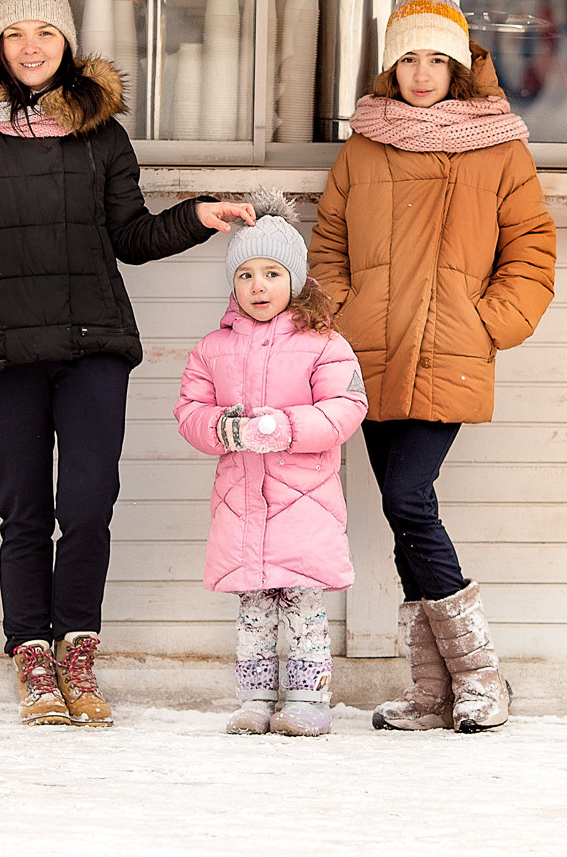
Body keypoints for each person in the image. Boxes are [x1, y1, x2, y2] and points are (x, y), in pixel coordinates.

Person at [0, 0, 256, 728]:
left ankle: (78, 652)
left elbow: (131, 237)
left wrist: (197, 215)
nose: (31, 48)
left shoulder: (102, 133)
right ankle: (32, 655)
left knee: (89, 506)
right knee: (25, 512)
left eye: (45, 33)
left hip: (91, 344)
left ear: (67, 42)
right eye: (15, 34)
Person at [308, 0, 557, 733]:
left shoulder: (499, 146)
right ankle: (432, 694)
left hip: (448, 347)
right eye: (408, 59)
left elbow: (532, 251)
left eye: (436, 59)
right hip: (371, 351)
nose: (421, 73)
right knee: (399, 509)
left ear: (460, 66)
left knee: (408, 500)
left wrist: (487, 322)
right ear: (391, 68)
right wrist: (340, 314)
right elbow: (329, 246)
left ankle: (483, 681)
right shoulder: (365, 144)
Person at [174, 190, 368, 737]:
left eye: (272, 274)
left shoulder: (324, 343)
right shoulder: (213, 348)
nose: (259, 287)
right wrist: (224, 428)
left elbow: (346, 407)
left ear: (297, 280)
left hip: (303, 503)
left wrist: (282, 428)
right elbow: (190, 410)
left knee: (304, 608)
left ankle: (309, 700)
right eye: (246, 276)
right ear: (234, 285)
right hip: (242, 503)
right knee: (254, 609)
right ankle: (255, 698)